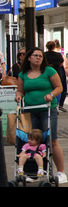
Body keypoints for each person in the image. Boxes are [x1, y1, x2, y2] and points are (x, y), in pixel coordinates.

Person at [15, 47, 67, 183]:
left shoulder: (49, 71)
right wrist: (18, 96)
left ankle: (61, 172)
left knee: (51, 140)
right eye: (35, 55)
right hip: (30, 111)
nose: (38, 58)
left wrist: (51, 95)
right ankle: (34, 171)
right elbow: (20, 90)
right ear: (29, 58)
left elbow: (59, 87)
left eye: (40, 56)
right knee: (32, 141)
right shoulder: (23, 74)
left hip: (47, 110)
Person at [54, 40, 68, 112]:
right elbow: (65, 66)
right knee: (62, 89)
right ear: (59, 47)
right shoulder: (61, 55)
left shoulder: (49, 55)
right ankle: (60, 105)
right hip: (60, 73)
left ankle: (54, 105)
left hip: (52, 73)